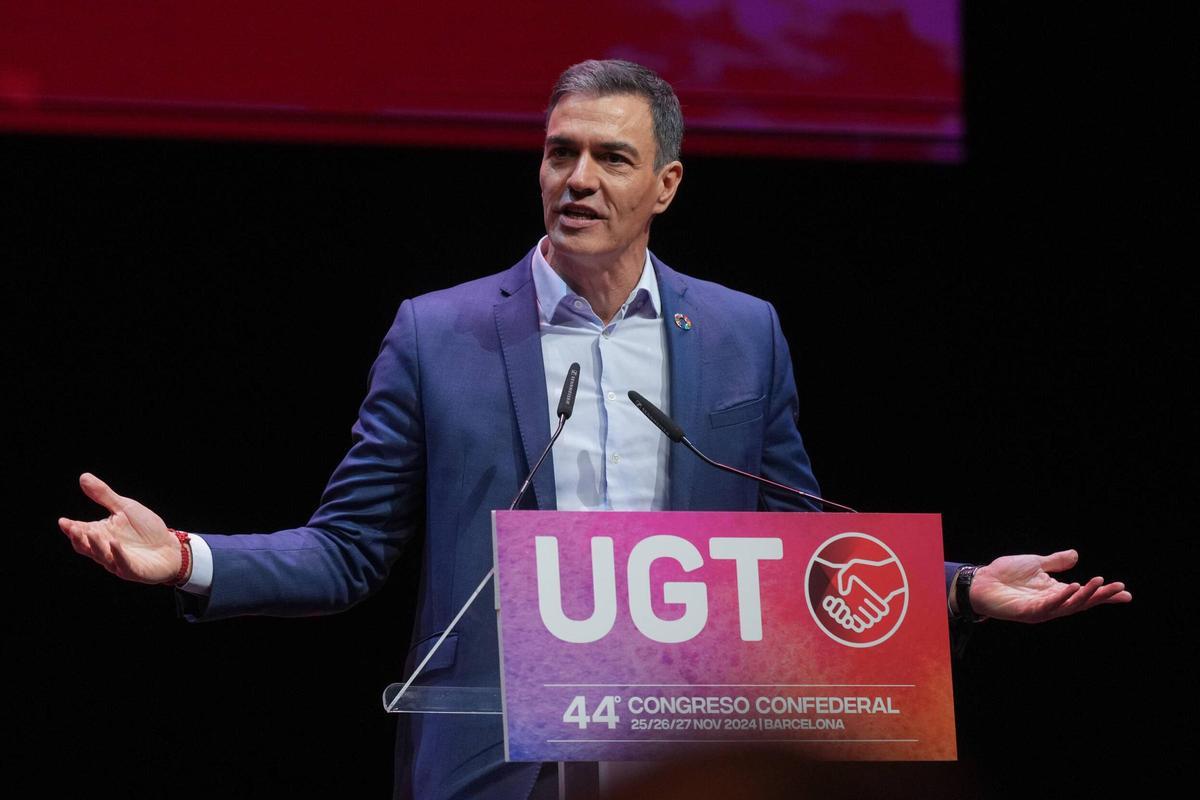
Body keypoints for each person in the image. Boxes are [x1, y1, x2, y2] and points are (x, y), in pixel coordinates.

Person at [57, 60, 1131, 800]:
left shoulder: (743, 334)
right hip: (494, 759)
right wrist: (187, 557)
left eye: (611, 158)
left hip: (692, 756)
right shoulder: (438, 334)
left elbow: (795, 551)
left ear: (665, 184)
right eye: (558, 153)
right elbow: (348, 550)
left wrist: (960, 588)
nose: (577, 179)